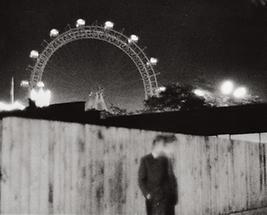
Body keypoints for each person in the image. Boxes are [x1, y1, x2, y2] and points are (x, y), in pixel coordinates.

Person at [138, 134, 178, 215]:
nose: (162, 147)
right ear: (155, 145)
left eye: (163, 145)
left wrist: (173, 195)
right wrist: (147, 194)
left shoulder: (165, 159)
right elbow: (141, 180)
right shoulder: (145, 160)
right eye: (161, 145)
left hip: (167, 201)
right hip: (153, 201)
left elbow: (171, 178)